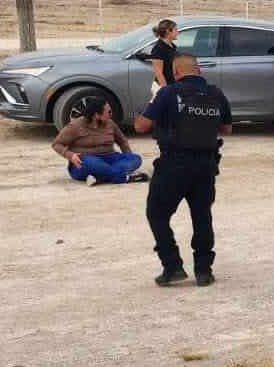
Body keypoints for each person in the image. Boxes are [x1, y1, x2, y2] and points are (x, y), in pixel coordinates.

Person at [134, 55, 232, 287]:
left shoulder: (168, 93)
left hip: (174, 164)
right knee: (202, 216)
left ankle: (172, 265)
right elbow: (226, 129)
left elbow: (141, 126)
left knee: (157, 214)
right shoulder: (216, 94)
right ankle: (204, 270)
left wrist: (148, 107)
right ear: (198, 70)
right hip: (206, 165)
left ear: (176, 72)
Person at [51, 100, 145, 186]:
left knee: (135, 158)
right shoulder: (75, 126)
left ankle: (100, 177)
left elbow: (122, 141)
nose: (110, 114)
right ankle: (122, 177)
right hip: (86, 161)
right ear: (97, 115)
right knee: (93, 164)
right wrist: (70, 155)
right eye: (108, 112)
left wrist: (127, 156)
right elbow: (56, 144)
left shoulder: (110, 123)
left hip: (110, 157)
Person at [147, 19, 181, 91]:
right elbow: (159, 73)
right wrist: (166, 90)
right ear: (168, 31)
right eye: (176, 30)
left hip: (172, 85)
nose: (178, 32)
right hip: (163, 87)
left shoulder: (172, 46)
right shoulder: (159, 49)